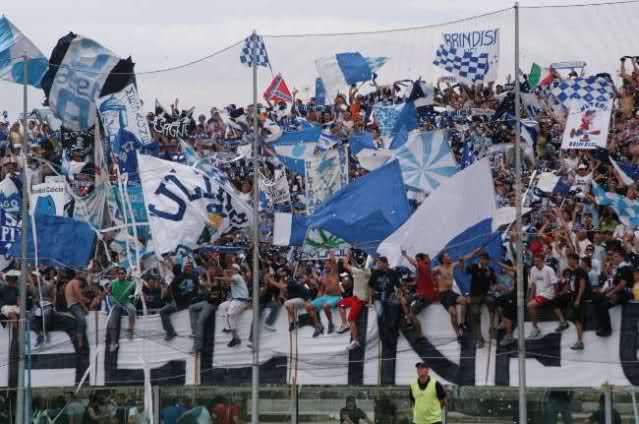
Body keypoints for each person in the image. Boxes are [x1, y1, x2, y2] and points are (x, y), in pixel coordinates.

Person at [593, 246, 633, 337]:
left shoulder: (626, 268)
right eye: (613, 256)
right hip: (618, 291)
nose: (614, 259)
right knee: (597, 299)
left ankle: (607, 330)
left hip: (626, 293)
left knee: (603, 306)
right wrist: (603, 292)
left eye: (616, 257)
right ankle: (600, 324)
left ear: (622, 257)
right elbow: (614, 284)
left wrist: (611, 293)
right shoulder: (619, 268)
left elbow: (622, 285)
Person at [554, 252, 590, 350]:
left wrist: (578, 300)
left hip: (579, 297)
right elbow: (570, 285)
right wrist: (562, 293)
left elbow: (582, 286)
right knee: (556, 301)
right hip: (573, 295)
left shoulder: (581, 271)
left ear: (574, 260)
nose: (568, 261)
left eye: (569, 259)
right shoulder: (573, 272)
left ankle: (579, 342)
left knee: (578, 320)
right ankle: (563, 322)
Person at [432, 252, 470, 343]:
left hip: (451, 292)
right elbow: (428, 272)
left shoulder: (452, 265)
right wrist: (434, 274)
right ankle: (458, 335)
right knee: (453, 313)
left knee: (464, 301)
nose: (449, 257)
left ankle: (462, 323)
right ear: (443, 259)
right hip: (443, 295)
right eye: (447, 256)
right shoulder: (438, 268)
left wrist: (462, 261)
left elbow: (466, 257)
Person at [527, 254, 567, 339]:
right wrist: (530, 296)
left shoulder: (549, 269)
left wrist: (555, 295)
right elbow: (533, 283)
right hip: (539, 294)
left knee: (530, 305)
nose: (536, 263)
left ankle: (535, 328)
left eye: (538, 261)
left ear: (542, 261)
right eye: (535, 261)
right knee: (530, 304)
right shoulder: (533, 269)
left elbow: (555, 283)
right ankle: (562, 321)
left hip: (548, 294)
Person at [337, 252, 372, 350]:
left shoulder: (360, 271)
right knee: (340, 303)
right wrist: (352, 257)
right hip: (354, 298)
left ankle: (355, 341)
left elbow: (345, 265)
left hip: (359, 300)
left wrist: (348, 255)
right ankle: (344, 324)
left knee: (351, 320)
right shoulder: (366, 270)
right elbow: (358, 265)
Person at [161, 261, 201, 341]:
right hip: (195, 301)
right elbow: (198, 287)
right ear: (181, 270)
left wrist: (163, 285)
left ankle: (171, 332)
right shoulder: (193, 276)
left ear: (173, 272)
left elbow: (164, 296)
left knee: (163, 312)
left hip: (182, 305)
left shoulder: (174, 282)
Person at [464, 250, 497, 349]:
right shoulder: (474, 267)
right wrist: (469, 258)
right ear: (480, 259)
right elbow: (465, 270)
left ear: (488, 260)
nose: (484, 261)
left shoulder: (490, 269)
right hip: (475, 296)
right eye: (482, 259)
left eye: (486, 259)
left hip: (486, 294)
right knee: (475, 313)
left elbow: (494, 283)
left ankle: (492, 327)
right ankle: (479, 338)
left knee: (492, 301)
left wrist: (494, 288)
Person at [401, 250, 436, 340]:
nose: (417, 262)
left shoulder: (424, 267)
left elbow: (413, 262)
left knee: (413, 314)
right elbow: (416, 282)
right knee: (404, 300)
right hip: (420, 294)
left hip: (425, 296)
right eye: (417, 260)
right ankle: (409, 321)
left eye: (418, 260)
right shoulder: (421, 270)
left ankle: (420, 335)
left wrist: (405, 255)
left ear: (422, 260)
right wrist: (406, 284)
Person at [306, 255, 342, 337]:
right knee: (308, 306)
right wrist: (311, 266)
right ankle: (318, 325)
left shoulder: (334, 272)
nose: (326, 265)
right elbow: (316, 277)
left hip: (336, 297)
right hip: (326, 296)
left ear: (331, 265)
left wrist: (330, 251)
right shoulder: (324, 275)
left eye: (328, 264)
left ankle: (330, 323)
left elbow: (334, 261)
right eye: (325, 264)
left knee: (325, 306)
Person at [219, 263, 250, 347]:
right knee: (222, 306)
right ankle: (228, 327)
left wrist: (218, 277)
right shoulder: (235, 277)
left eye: (232, 268)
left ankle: (236, 338)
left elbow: (229, 280)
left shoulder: (237, 276)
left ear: (236, 270)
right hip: (235, 300)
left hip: (240, 301)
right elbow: (228, 281)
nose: (231, 269)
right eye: (231, 268)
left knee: (230, 315)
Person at [106, 267, 136, 352]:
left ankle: (130, 330)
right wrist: (108, 293)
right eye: (119, 273)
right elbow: (107, 293)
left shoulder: (131, 284)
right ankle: (114, 342)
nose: (120, 275)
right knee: (111, 323)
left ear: (126, 274)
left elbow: (137, 293)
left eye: (122, 273)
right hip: (116, 305)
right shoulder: (113, 283)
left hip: (126, 302)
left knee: (132, 309)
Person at [64, 275, 92, 351]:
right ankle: (80, 342)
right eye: (81, 286)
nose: (81, 287)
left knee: (82, 322)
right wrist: (84, 306)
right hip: (74, 305)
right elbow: (77, 295)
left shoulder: (71, 283)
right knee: (82, 320)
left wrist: (85, 299)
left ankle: (80, 341)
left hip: (72, 305)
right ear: (81, 281)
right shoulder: (76, 282)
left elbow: (76, 296)